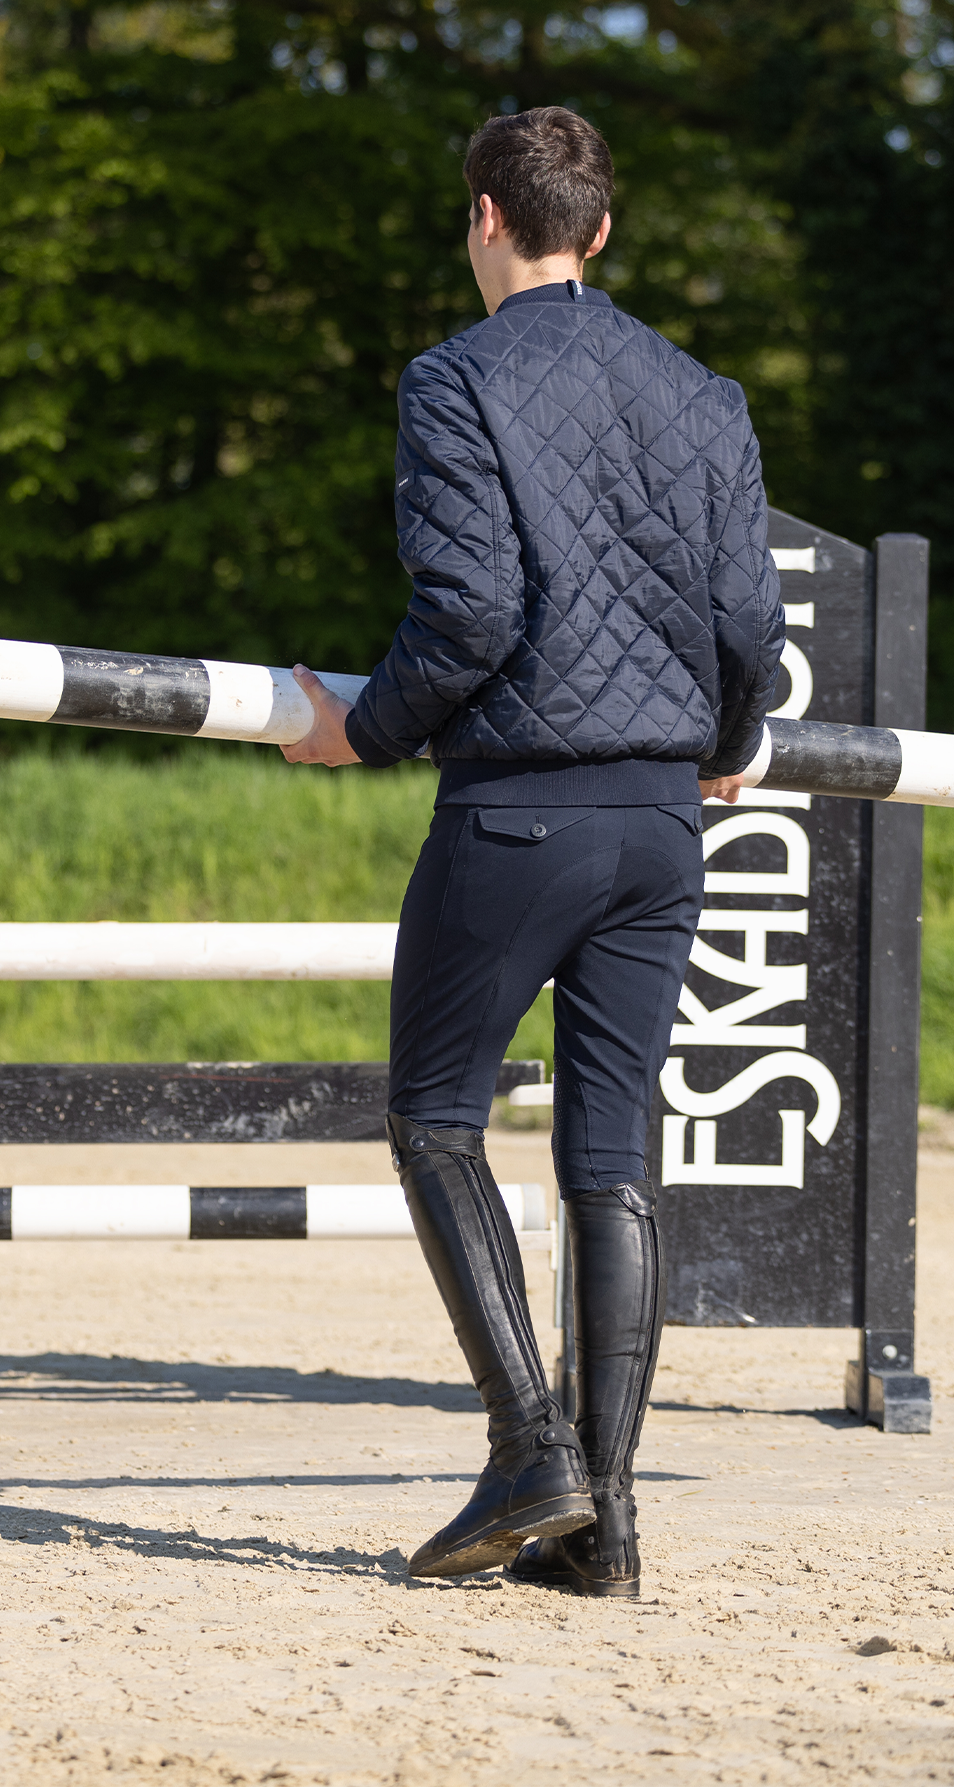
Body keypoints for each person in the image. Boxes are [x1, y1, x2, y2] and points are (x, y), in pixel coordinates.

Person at [282, 106, 785, 1595]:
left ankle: (527, 1449)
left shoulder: (455, 379)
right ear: (601, 231)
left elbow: (472, 615)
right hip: (664, 827)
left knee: (436, 1119)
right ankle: (604, 1528)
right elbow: (750, 620)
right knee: (610, 1158)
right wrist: (728, 740)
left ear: (488, 218)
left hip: (516, 814)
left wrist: (362, 731)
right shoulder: (702, 390)